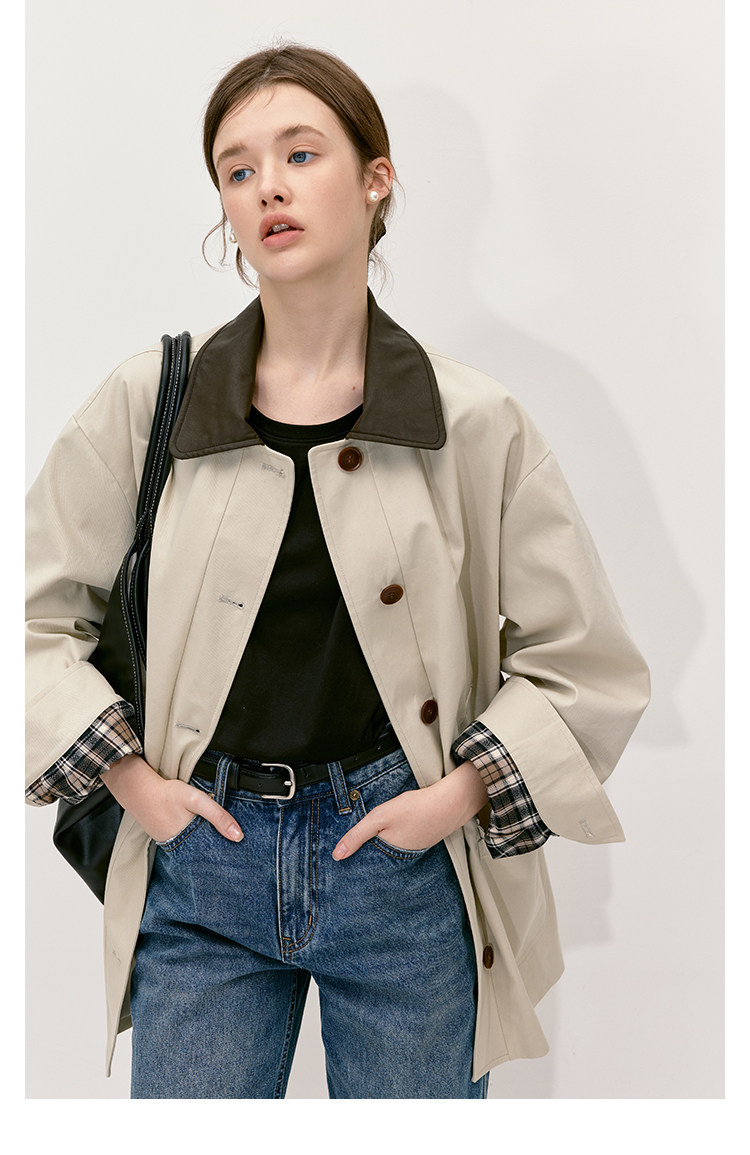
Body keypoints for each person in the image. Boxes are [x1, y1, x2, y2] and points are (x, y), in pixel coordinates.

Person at [25, 44, 650, 1099]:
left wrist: (453, 799)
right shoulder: (150, 401)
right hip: (202, 863)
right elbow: (34, 619)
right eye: (237, 168)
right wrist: (134, 783)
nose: (267, 185)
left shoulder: (474, 421)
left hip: (405, 869)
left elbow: (585, 662)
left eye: (301, 153)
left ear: (376, 179)